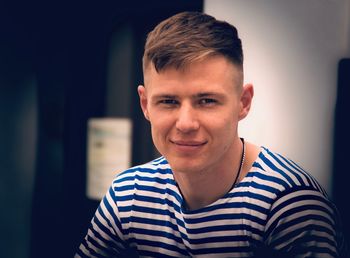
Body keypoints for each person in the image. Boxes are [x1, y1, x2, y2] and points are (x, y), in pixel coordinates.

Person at [75, 11, 347, 257]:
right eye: (168, 101)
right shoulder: (129, 193)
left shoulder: (290, 205)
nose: (185, 123)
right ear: (145, 105)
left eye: (206, 101)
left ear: (243, 102)